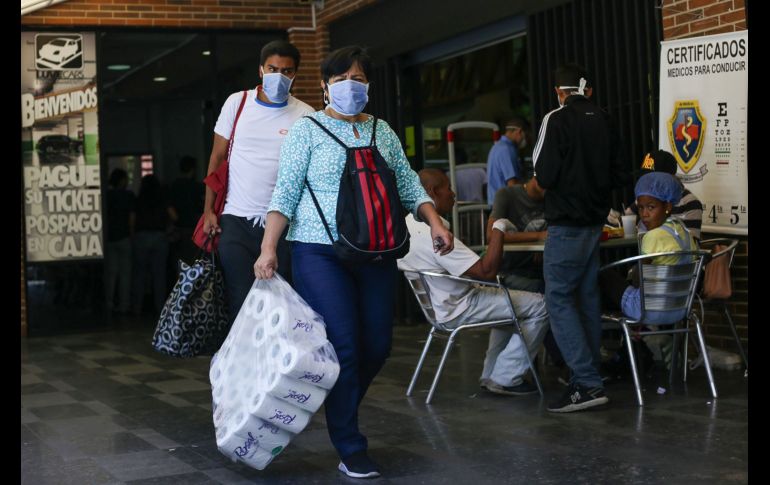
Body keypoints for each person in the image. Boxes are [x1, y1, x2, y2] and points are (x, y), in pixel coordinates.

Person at [254, 46, 453, 479]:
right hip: (318, 252)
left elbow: (407, 182)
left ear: (369, 85)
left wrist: (435, 222)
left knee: (377, 346)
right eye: (341, 79)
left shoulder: (383, 131)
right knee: (343, 347)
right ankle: (350, 444)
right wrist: (269, 248)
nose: (350, 86)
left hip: (375, 251)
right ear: (324, 86)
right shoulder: (306, 130)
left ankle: (336, 403)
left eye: (358, 78)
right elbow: (284, 193)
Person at [398, 168, 550, 396]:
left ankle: (491, 374)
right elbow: (486, 271)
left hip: (441, 307)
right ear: (432, 192)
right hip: (461, 306)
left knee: (510, 301)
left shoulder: (408, 226)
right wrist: (498, 228)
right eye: (448, 188)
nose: (453, 194)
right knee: (542, 305)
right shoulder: (434, 233)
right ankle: (506, 377)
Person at [533, 63, 630, 413]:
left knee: (558, 299)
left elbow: (543, 174)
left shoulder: (555, 119)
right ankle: (591, 378)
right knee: (587, 298)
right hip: (595, 223)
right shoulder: (604, 118)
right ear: (586, 90)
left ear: (560, 93)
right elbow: (621, 172)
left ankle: (586, 382)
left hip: (567, 224)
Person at [202, 40, 313, 324]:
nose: (279, 76)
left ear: (295, 74)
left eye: (287, 71)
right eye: (272, 69)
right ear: (261, 70)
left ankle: (276, 367)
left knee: (282, 304)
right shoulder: (237, 103)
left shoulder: (306, 115)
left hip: (286, 226)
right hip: (237, 220)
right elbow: (216, 159)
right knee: (242, 304)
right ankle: (242, 367)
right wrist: (208, 211)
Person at [601, 172, 698, 370]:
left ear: (668, 206)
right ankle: (639, 339)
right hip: (680, 308)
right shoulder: (684, 233)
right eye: (641, 207)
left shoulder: (652, 237)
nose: (644, 214)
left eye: (651, 207)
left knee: (601, 277)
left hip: (649, 309)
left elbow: (640, 277)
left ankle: (607, 350)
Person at [626, 149, 703, 240]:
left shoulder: (690, 202)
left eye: (652, 178)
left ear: (669, 178)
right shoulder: (646, 198)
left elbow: (690, 246)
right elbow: (625, 219)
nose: (647, 182)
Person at [132, 174, 177, 316]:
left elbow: (132, 219)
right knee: (159, 275)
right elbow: (175, 216)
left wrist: (133, 236)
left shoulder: (138, 199)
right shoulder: (162, 198)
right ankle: (160, 309)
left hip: (141, 237)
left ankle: (136, 308)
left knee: (139, 274)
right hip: (159, 237)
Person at [104, 168, 135, 315]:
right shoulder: (128, 196)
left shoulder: (107, 196)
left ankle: (109, 303)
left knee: (111, 273)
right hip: (124, 237)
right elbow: (131, 218)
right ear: (122, 180)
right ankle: (124, 305)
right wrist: (132, 234)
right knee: (125, 274)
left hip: (109, 238)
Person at [169, 155, 205, 266]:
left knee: (180, 261)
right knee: (196, 260)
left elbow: (170, 207)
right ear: (193, 169)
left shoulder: (174, 186)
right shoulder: (197, 187)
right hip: (196, 228)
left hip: (179, 229)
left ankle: (181, 282)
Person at [486, 117, 528, 205]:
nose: (525, 140)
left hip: (497, 203)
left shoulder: (499, 146)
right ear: (519, 131)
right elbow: (512, 183)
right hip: (503, 205)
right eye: (525, 135)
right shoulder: (505, 150)